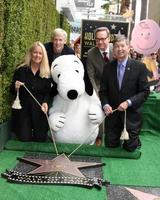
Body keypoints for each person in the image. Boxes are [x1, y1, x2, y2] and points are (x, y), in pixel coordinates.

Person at [99, 35, 150, 152]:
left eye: (123, 46)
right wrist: (106, 105)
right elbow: (103, 92)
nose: (120, 49)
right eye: (117, 46)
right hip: (113, 116)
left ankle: (135, 139)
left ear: (128, 48)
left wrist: (128, 102)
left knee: (130, 148)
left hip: (131, 115)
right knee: (110, 146)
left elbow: (145, 91)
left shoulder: (139, 67)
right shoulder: (107, 68)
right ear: (113, 49)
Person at [11, 41, 51, 142]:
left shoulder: (46, 72)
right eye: (35, 52)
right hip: (23, 110)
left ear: (43, 55)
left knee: (40, 139)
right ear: (31, 53)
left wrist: (45, 102)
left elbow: (47, 92)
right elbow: (11, 90)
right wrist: (16, 87)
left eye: (40, 53)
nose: (37, 55)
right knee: (25, 138)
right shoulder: (21, 70)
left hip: (39, 109)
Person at [86, 27, 113, 146]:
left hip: (116, 86)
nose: (100, 42)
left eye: (103, 39)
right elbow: (90, 75)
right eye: (97, 39)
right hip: (99, 87)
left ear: (109, 38)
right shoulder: (91, 53)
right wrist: (98, 94)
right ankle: (99, 137)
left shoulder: (116, 49)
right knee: (99, 107)